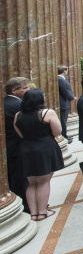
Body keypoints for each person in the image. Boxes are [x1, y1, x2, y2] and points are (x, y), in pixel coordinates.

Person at [13, 89, 65, 221]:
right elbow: (57, 131)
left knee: (31, 183)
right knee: (43, 181)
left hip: (26, 149)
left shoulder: (18, 115)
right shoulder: (47, 113)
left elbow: (20, 134)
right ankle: (42, 212)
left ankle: (33, 213)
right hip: (44, 147)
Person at [4, 77, 30, 205]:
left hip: (10, 147)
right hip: (16, 147)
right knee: (20, 178)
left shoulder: (5, 102)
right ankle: (24, 204)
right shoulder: (18, 105)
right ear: (14, 90)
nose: (28, 90)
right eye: (25, 88)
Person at [57, 66, 74, 136]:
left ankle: (65, 135)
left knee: (64, 120)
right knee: (63, 121)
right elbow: (65, 91)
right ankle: (64, 136)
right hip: (63, 103)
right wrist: (71, 97)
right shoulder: (60, 79)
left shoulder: (62, 79)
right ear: (64, 71)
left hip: (65, 102)